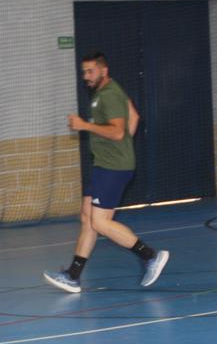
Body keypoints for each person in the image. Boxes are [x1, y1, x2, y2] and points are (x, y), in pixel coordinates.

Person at [43, 51, 169, 293]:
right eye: (84, 72)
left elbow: (119, 131)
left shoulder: (109, 95)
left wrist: (84, 126)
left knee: (100, 223)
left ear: (104, 70)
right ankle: (73, 275)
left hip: (113, 167)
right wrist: (123, 147)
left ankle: (150, 256)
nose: (86, 76)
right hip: (106, 163)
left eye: (91, 71)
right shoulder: (107, 92)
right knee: (87, 217)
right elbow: (134, 116)